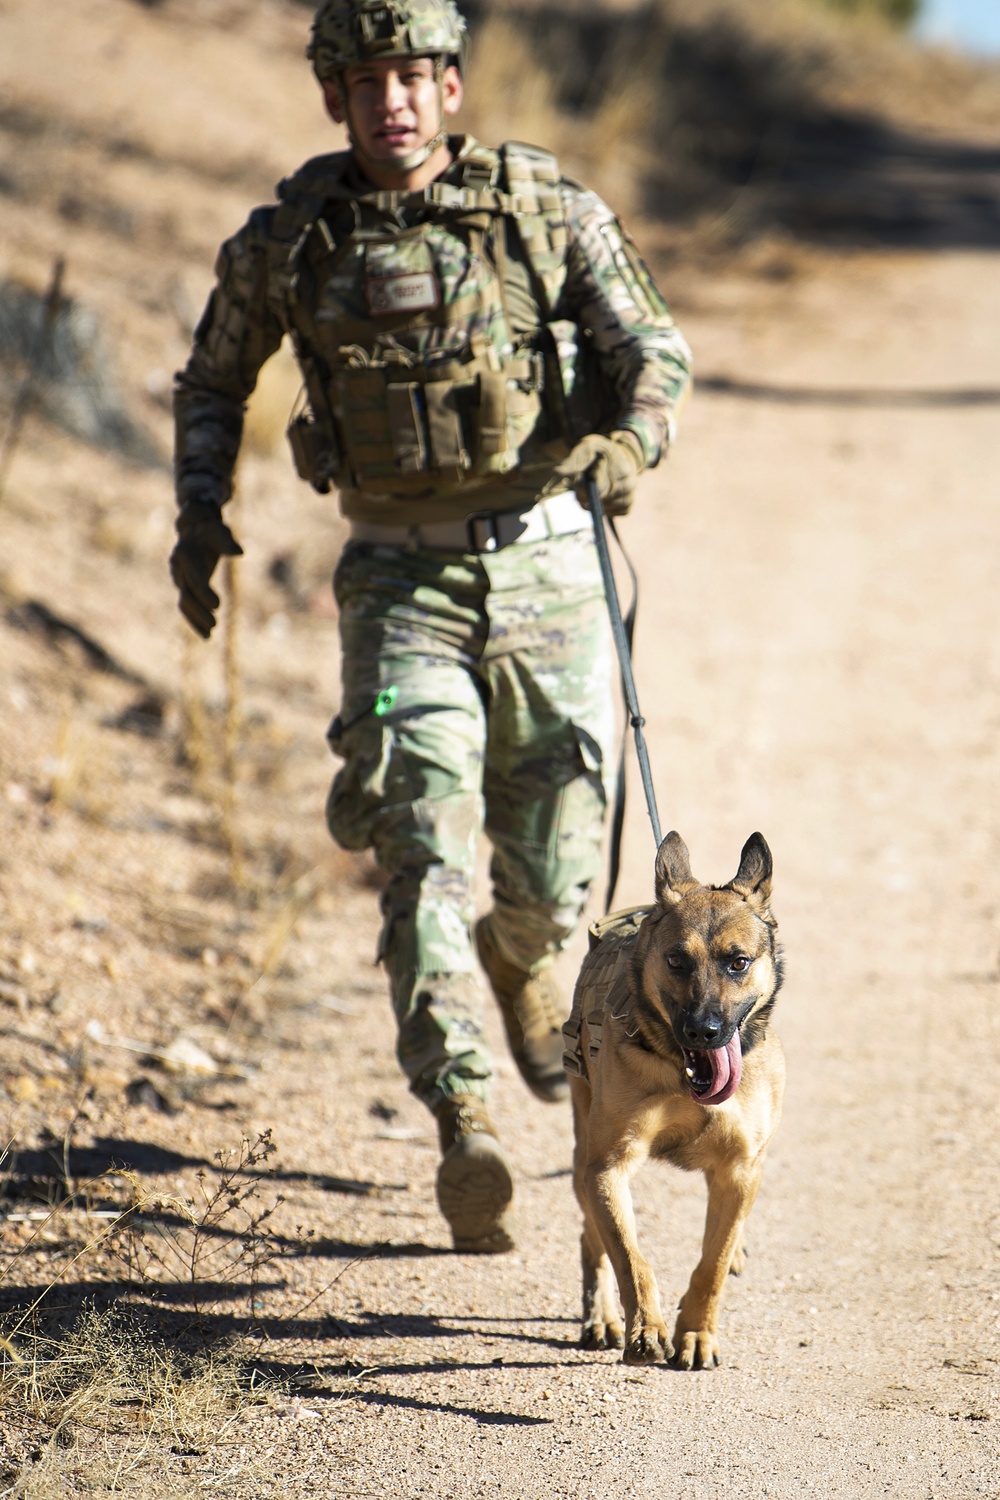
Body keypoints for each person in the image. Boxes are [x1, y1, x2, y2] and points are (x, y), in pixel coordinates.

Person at [169, 0, 692, 1255]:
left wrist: (630, 441)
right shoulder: (294, 237)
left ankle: (520, 967)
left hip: (550, 568)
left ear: (451, 87)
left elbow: (654, 354)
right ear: (332, 99)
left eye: (411, 74)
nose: (389, 100)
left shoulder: (543, 212)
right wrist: (198, 510)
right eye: (363, 80)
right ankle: (464, 1120)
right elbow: (212, 379)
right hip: (398, 580)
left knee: (556, 881)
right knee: (417, 840)